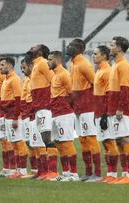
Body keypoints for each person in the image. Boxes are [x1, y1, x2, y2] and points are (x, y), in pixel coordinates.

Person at [67, 39, 101, 181]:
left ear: (78, 48)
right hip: (78, 108)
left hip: (87, 107)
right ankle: (88, 172)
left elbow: (95, 83)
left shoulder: (84, 64)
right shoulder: (72, 64)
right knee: (82, 140)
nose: (68, 47)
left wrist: (92, 104)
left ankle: (97, 174)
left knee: (91, 138)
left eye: (71, 46)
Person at [106, 36, 129, 184]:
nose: (110, 47)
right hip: (113, 109)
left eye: (112, 45)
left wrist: (120, 108)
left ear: (119, 48)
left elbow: (125, 89)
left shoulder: (123, 65)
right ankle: (124, 173)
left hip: (121, 110)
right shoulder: (116, 65)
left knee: (124, 139)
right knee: (118, 141)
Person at [47, 51, 79, 181]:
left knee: (66, 142)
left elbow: (72, 94)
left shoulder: (64, 74)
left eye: (49, 59)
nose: (47, 62)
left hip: (64, 114)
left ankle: (74, 174)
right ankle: (65, 173)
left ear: (57, 60)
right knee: (59, 143)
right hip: (55, 113)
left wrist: (70, 109)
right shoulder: (55, 76)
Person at [29, 44, 58, 180]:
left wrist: (50, 101)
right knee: (42, 139)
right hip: (39, 107)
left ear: (40, 52)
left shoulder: (43, 64)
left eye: (33, 47)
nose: (31, 48)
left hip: (45, 106)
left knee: (47, 138)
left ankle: (52, 172)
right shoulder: (36, 65)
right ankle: (44, 171)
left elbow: (55, 79)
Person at [92, 45, 119, 183]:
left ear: (104, 56)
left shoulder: (107, 71)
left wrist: (104, 115)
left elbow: (109, 94)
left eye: (96, 53)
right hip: (98, 113)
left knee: (110, 141)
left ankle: (113, 175)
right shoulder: (99, 70)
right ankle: (110, 173)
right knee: (105, 143)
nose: (93, 55)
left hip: (105, 114)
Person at [0, 57, 29, 178]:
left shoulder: (15, 79)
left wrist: (16, 117)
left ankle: (22, 170)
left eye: (3, 65)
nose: (0, 67)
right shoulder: (6, 79)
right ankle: (18, 169)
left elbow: (18, 99)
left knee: (18, 142)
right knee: (13, 143)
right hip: (7, 116)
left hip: (14, 116)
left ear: (10, 66)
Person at [19, 56, 38, 176]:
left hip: (33, 115)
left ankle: (43, 170)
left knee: (36, 143)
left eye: (24, 68)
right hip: (26, 114)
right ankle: (34, 170)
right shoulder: (26, 79)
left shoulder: (35, 79)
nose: (22, 70)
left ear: (31, 66)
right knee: (29, 143)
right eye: (21, 68)